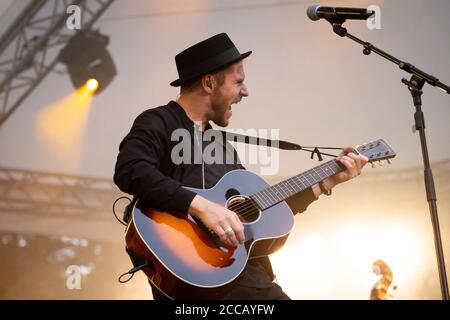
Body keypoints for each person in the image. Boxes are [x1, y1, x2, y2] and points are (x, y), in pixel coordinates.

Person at [113, 33, 368, 300]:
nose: (245, 92)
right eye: (238, 81)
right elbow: (131, 169)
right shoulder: (159, 122)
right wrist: (201, 206)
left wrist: (328, 181)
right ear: (209, 82)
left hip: (241, 272)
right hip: (198, 273)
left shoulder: (222, 147)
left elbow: (264, 212)